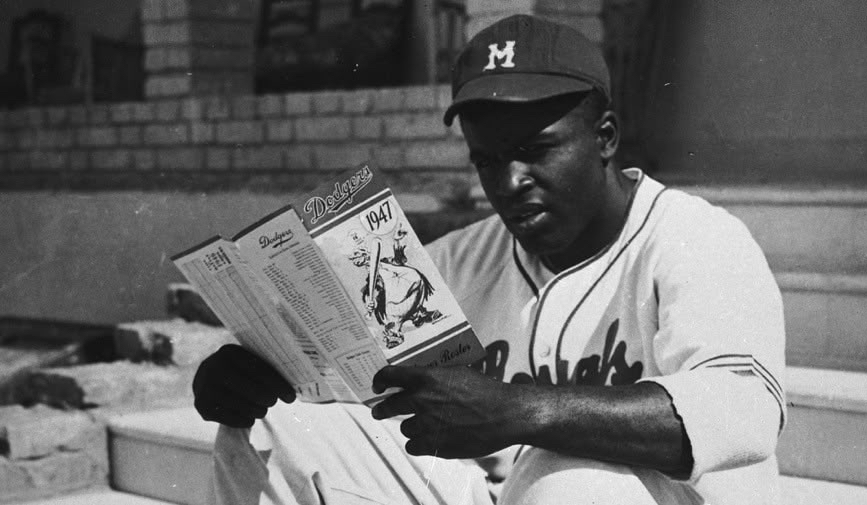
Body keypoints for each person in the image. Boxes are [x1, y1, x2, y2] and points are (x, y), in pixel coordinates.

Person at [193, 14, 786, 505]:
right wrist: (254, 381)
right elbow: (351, 383)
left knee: (570, 484)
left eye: (535, 151)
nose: (509, 180)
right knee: (276, 428)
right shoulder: (452, 264)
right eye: (488, 159)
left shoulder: (697, 239)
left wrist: (525, 411)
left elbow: (745, 411)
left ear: (605, 137)